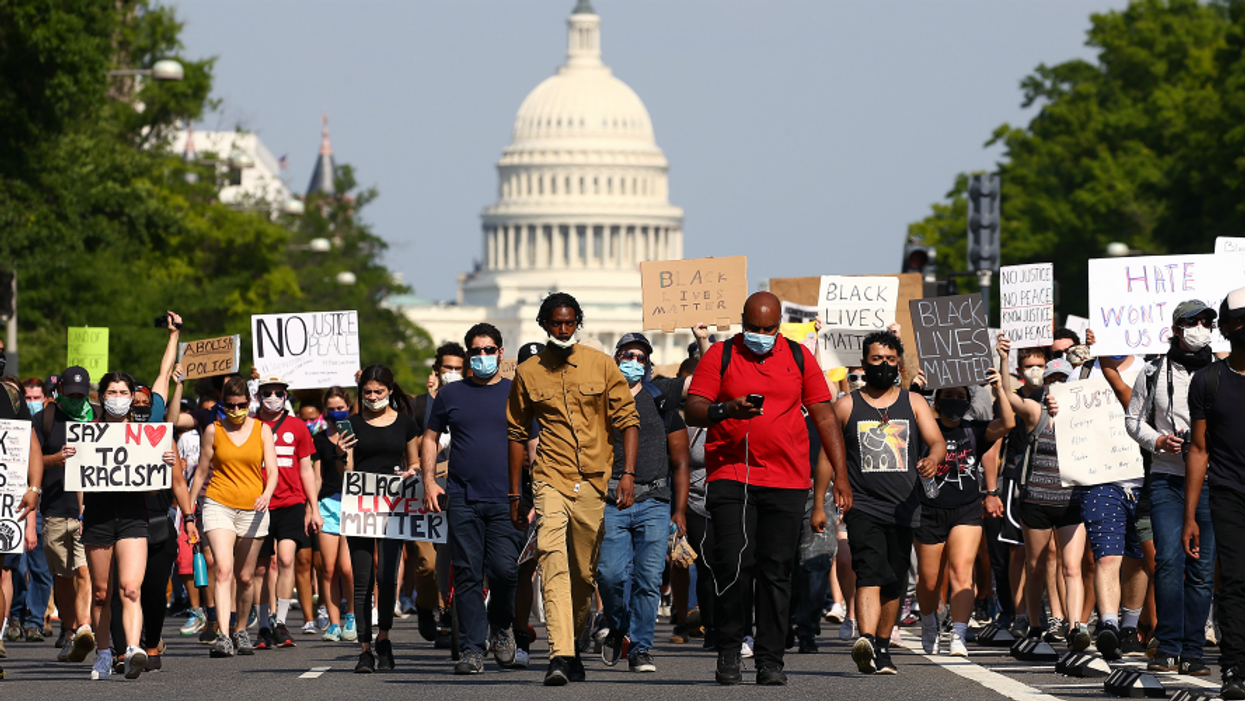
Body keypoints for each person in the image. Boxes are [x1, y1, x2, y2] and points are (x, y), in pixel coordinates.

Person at [685, 291, 849, 685]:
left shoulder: (798, 356)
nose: (761, 335)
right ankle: (729, 649)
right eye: (753, 328)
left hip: (787, 480)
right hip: (731, 476)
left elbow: (825, 416)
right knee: (733, 565)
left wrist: (841, 475)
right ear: (742, 322)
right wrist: (726, 409)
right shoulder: (721, 354)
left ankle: (770, 659)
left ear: (778, 326)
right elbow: (693, 408)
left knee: (776, 571)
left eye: (769, 329)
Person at [506, 292, 640, 686]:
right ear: (543, 324)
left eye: (569, 323)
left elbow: (628, 420)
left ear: (577, 323)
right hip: (550, 477)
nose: (563, 330)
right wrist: (515, 493)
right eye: (556, 323)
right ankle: (559, 655)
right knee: (551, 559)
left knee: (583, 573)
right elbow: (516, 432)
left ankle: (575, 642)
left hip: (593, 482)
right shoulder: (528, 372)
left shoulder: (601, 364)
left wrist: (628, 474)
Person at [83, 313, 188, 680]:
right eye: (111, 393)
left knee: (130, 588)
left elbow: (163, 376)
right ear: (101, 397)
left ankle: (133, 649)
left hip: (133, 517)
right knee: (101, 593)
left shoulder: (147, 429)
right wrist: (68, 457)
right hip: (98, 517)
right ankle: (103, 653)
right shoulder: (88, 431)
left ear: (133, 397)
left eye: (123, 393)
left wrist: (173, 337)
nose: (117, 398)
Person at [834, 330, 944, 675]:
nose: (884, 365)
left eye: (890, 360)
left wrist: (933, 460)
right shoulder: (847, 405)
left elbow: (937, 442)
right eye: (877, 359)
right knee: (869, 571)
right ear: (864, 362)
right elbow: (828, 455)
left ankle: (882, 647)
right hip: (862, 505)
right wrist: (827, 495)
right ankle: (866, 641)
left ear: (899, 365)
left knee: (894, 580)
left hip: (904, 506)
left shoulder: (913, 403)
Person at [421, 323, 525, 674]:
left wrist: (536, 490)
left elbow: (532, 443)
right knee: (466, 574)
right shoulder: (452, 394)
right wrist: (429, 482)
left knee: (504, 571)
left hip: (507, 498)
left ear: (500, 352)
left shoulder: (516, 392)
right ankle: (471, 649)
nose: (483, 356)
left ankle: (503, 627)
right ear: (468, 355)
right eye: (476, 351)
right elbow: (430, 437)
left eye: (489, 350)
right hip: (462, 498)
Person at [1125, 301, 1217, 673]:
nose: (1201, 327)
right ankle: (1168, 646)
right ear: (1176, 328)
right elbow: (1133, 420)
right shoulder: (1152, 372)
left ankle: (1193, 652)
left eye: (1207, 321)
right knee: (1167, 562)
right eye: (1193, 321)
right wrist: (1159, 441)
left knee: (1202, 570)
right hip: (1166, 480)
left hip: (1211, 483)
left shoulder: (1222, 372)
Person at [914, 335, 1015, 658]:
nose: (954, 400)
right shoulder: (923, 427)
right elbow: (902, 417)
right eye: (948, 396)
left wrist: (999, 388)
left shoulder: (975, 430)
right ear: (937, 400)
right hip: (928, 510)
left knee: (962, 571)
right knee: (929, 581)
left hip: (966, 510)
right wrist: (914, 389)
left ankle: (958, 634)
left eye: (960, 396)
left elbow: (1008, 422)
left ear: (968, 402)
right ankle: (929, 622)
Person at [596, 332, 690, 674]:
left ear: (648, 363)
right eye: (627, 355)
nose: (633, 362)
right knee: (609, 575)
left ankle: (640, 648)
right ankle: (617, 624)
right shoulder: (600, 399)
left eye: (640, 357)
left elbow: (680, 461)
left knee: (648, 580)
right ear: (615, 358)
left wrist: (679, 511)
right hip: (612, 501)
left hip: (654, 501)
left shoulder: (660, 397)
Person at [188, 375, 280, 659]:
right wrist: (188, 512)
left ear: (249, 403)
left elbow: (273, 470)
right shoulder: (213, 430)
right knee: (223, 570)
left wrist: (267, 493)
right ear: (223, 404)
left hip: (254, 508)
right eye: (230, 405)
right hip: (219, 503)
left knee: (246, 576)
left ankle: (241, 629)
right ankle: (224, 636)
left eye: (241, 405)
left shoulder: (262, 430)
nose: (236, 410)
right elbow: (201, 472)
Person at [1183, 286, 1245, 699]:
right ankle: (1235, 668)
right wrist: (1190, 516)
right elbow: (1199, 449)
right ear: (1226, 327)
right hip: (1228, 494)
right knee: (1236, 581)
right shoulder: (1208, 380)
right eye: (1240, 320)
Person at [340, 364, 420, 674]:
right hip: (359, 507)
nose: (373, 397)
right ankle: (364, 649)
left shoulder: (405, 423)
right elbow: (346, 471)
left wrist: (412, 472)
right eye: (367, 392)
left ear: (389, 391)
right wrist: (340, 453)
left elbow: (414, 461)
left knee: (387, 576)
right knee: (362, 578)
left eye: (378, 391)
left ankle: (384, 637)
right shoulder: (351, 424)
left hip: (393, 506)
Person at [1011, 358, 1090, 649]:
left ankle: (1075, 628)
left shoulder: (1084, 418)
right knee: (1035, 567)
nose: (1057, 384)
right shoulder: (1037, 412)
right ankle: (1035, 625)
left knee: (1071, 567)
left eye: (1063, 379)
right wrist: (1004, 360)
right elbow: (1008, 397)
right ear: (1044, 384)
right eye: (1052, 379)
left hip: (1072, 503)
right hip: (1036, 502)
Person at [31, 368, 96, 665]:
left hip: (88, 512)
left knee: (84, 571)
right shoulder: (45, 419)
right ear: (60, 392)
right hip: (55, 510)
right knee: (63, 576)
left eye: (81, 394)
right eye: (71, 394)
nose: (76, 398)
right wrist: (55, 459)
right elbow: (30, 462)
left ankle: (84, 628)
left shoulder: (97, 417)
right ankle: (70, 631)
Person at [250, 374, 320, 649]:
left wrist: (313, 507)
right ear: (258, 396)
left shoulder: (298, 426)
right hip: (258, 503)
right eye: (267, 392)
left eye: (279, 393)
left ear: (286, 396)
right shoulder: (251, 425)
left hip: (291, 502)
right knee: (261, 567)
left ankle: (280, 622)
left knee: (287, 560)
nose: (273, 398)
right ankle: (262, 626)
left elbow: (306, 470)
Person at [408, 343, 464, 640]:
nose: (452, 373)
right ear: (437, 370)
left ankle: (448, 613)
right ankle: (425, 605)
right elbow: (412, 444)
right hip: (426, 490)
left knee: (453, 555)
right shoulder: (419, 405)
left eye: (458, 368)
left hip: (459, 491)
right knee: (427, 563)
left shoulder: (469, 400)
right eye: (447, 368)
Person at [312, 387, 357, 643]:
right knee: (328, 569)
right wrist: (312, 508)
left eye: (341, 408)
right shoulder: (319, 439)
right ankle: (334, 623)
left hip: (352, 505)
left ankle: (352, 616)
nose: (336, 412)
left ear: (348, 408)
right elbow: (317, 477)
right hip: (327, 505)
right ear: (325, 411)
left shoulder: (355, 435)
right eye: (332, 409)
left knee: (347, 569)